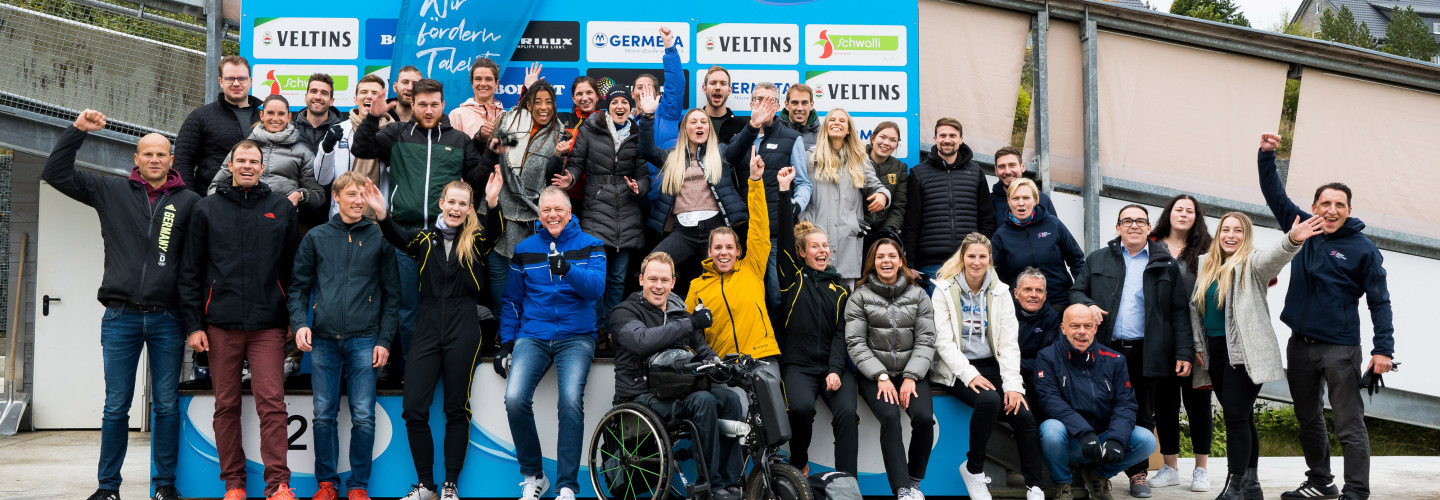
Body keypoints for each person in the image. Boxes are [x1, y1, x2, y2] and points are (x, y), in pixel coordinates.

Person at [46, 110, 199, 500]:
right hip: (120, 317)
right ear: (136, 158)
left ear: (171, 160)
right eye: (146, 154)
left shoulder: (190, 202)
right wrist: (77, 130)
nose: (153, 160)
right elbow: (56, 173)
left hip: (168, 318)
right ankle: (108, 488)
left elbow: (197, 265)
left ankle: (164, 486)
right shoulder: (109, 190)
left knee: (166, 406)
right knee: (116, 406)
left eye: (161, 154)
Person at [1257, 133, 1395, 500]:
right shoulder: (1304, 228)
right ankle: (1321, 482)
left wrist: (1383, 350)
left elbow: (1380, 302)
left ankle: (1356, 491)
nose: (1331, 210)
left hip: (1340, 349)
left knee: (1349, 425)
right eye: (1325, 203)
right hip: (1299, 345)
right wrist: (1267, 156)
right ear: (1315, 207)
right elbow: (1275, 195)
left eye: (1339, 204)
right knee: (1308, 419)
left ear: (1349, 210)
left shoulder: (1363, 250)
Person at [365, 174, 500, 500]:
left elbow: (495, 232)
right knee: (413, 408)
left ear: (469, 209)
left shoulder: (476, 241)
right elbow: (397, 237)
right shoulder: (424, 239)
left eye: (462, 204)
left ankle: (450, 485)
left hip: (463, 327)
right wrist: (383, 215)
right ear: (441, 204)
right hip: (425, 329)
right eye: (450, 201)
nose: (455, 208)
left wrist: (493, 205)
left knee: (456, 408)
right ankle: (426, 486)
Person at [180, 140, 301, 500]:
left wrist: (294, 317)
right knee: (227, 405)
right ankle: (234, 484)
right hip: (220, 324)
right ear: (230, 165)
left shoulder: (280, 208)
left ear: (263, 167)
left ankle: (278, 484)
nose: (247, 166)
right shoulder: (206, 209)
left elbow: (294, 271)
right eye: (241, 160)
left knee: (272, 404)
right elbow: (190, 272)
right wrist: (194, 325)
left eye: (254, 161)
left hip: (268, 325)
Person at [352, 77, 486, 380]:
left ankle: (446, 371)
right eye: (422, 104)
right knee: (407, 308)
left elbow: (476, 179)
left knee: (446, 308)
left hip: (448, 238)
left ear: (443, 105)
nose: (428, 109)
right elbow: (362, 148)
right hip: (405, 236)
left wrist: (491, 153)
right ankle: (412, 372)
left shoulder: (458, 140)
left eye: (434, 104)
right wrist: (372, 116)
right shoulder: (396, 133)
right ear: (412, 104)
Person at [1190, 211, 1324, 500]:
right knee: (1243, 416)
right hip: (1214, 352)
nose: (1230, 235)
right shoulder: (1206, 264)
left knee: (1235, 418)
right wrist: (1199, 346)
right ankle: (1251, 485)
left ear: (1246, 236)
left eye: (1238, 231)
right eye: (1226, 229)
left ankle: (1234, 487)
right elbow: (1196, 312)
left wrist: (1292, 240)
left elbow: (1273, 257)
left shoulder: (1252, 264)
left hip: (1245, 353)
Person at [1069, 204, 1194, 498]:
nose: (1134, 225)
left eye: (1140, 221)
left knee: (1142, 414)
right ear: (1118, 227)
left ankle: (1138, 474)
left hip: (1148, 351)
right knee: (1096, 409)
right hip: (1105, 350)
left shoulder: (1165, 263)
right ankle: (1092, 470)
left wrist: (1184, 351)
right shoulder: (1098, 258)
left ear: (1149, 228)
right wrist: (1087, 305)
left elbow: (1179, 312)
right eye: (1128, 221)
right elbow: (1076, 291)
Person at [288, 171, 400, 500]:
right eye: (350, 194)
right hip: (322, 340)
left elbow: (393, 296)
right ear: (336, 197)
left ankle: (358, 487)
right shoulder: (317, 237)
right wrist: (300, 324)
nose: (357, 201)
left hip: (366, 339)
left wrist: (384, 340)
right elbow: (297, 289)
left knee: (363, 416)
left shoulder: (380, 239)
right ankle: (326, 484)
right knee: (324, 415)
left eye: (362, 195)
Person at [494, 186, 606, 500]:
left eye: (558, 209)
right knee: (514, 398)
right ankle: (534, 475)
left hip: (576, 338)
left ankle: (567, 486)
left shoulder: (591, 245)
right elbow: (512, 301)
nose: (552, 215)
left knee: (570, 401)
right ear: (539, 215)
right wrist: (506, 343)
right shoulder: (526, 248)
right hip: (534, 335)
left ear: (570, 212)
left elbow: (596, 289)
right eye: (546, 211)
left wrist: (567, 269)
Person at [609, 251, 745, 500]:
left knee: (730, 400)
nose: (658, 286)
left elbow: (702, 349)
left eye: (664, 280)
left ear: (673, 283)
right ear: (641, 280)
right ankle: (711, 486)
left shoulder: (680, 313)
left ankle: (731, 481)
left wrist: (721, 366)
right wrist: (691, 322)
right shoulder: (624, 312)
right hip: (640, 396)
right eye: (652, 279)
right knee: (703, 400)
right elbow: (640, 341)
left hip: (678, 390)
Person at [929, 233, 1044, 500]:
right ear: (963, 257)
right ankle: (974, 469)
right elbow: (943, 343)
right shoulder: (944, 289)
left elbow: (1008, 343)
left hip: (991, 365)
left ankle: (1034, 485)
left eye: (982, 256)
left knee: (1024, 413)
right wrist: (969, 375)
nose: (976, 262)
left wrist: (1014, 387)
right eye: (971, 256)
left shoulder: (1001, 291)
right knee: (989, 400)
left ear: (989, 259)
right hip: (955, 367)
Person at [774, 170, 858, 477]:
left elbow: (842, 334)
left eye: (825, 246)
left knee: (848, 413)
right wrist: (785, 192)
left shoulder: (841, 290)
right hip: (798, 367)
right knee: (800, 409)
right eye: (815, 246)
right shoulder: (791, 281)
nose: (822, 250)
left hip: (832, 367)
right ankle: (798, 466)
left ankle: (847, 482)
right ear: (802, 253)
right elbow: (784, 234)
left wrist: (836, 369)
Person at [845, 238, 936, 500]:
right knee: (890, 418)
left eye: (892, 256)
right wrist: (880, 375)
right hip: (874, 375)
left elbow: (926, 339)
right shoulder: (859, 297)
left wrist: (911, 376)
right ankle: (902, 489)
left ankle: (914, 480)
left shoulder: (918, 294)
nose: (886, 261)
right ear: (872, 262)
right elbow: (855, 342)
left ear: (900, 261)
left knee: (923, 418)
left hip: (912, 372)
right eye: (880, 256)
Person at [1036, 304, 1158, 500]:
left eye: (1087, 326)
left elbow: (1125, 403)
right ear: (1063, 328)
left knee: (1146, 441)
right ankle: (1063, 483)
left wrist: (1116, 439)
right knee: (1050, 430)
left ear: (1095, 328)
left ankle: (1098, 477)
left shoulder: (1115, 359)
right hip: (1069, 441)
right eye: (1075, 326)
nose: (1082, 332)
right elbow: (1049, 400)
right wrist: (1083, 432)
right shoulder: (1047, 357)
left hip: (1103, 439)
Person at [634, 93, 748, 293]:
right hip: (682, 232)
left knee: (707, 286)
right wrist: (647, 116)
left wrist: (753, 126)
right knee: (652, 265)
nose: (699, 125)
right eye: (693, 122)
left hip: (713, 231)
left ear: (708, 129)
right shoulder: (672, 157)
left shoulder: (720, 153)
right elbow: (646, 150)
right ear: (685, 129)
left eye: (704, 122)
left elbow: (740, 147)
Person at [560, 88, 649, 338]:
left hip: (627, 213)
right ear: (607, 106)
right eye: (615, 102)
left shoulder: (637, 132)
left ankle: (613, 329)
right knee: (595, 276)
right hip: (596, 209)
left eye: (624, 102)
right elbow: (577, 163)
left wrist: (639, 187)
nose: (620, 106)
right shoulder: (591, 128)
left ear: (631, 108)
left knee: (618, 279)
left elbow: (643, 175)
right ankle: (596, 329)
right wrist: (571, 177)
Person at [723, 82, 814, 313]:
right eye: (758, 99)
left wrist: (793, 207)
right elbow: (729, 159)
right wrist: (751, 127)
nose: (763, 105)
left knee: (775, 296)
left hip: (775, 232)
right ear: (751, 103)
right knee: (747, 296)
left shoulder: (792, 138)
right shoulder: (741, 136)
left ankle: (778, 347)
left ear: (777, 106)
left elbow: (803, 183)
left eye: (769, 100)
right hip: (744, 230)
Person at [1146, 194, 1215, 492]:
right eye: (1179, 209)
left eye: (1190, 210)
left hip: (1199, 336)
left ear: (1196, 217)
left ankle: (1201, 469)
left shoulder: (1208, 250)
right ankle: (1170, 466)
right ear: (1169, 214)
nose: (1184, 214)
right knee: (1165, 403)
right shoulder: (1151, 244)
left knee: (1198, 402)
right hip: (1160, 336)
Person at [685, 151, 776, 364]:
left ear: (738, 251)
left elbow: (760, 227)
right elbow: (688, 330)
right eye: (717, 247)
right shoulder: (697, 286)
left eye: (729, 247)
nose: (723, 252)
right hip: (722, 365)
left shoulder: (752, 268)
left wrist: (755, 182)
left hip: (761, 357)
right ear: (709, 252)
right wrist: (706, 360)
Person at [484, 80, 569, 306]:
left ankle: (526, 325)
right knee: (498, 273)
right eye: (537, 101)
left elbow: (552, 178)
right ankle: (503, 329)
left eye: (549, 102)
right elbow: (493, 157)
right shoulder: (511, 126)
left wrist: (559, 158)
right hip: (500, 209)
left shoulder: (559, 134)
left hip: (533, 215)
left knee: (530, 275)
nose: (543, 107)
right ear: (528, 104)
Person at [903, 118, 996, 290]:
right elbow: (911, 223)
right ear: (935, 139)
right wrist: (910, 264)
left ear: (961, 139)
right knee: (938, 316)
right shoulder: (918, 174)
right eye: (942, 135)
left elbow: (987, 218)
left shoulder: (975, 172)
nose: (947, 140)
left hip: (969, 263)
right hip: (932, 266)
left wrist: (981, 255)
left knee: (970, 316)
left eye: (952, 135)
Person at [800, 108, 889, 285]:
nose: (836, 123)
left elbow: (876, 186)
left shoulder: (858, 159)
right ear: (825, 127)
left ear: (848, 129)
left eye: (842, 121)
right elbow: (799, 191)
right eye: (832, 120)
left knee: (844, 305)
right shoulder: (809, 158)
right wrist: (805, 223)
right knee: (816, 303)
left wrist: (882, 196)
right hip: (816, 241)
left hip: (847, 243)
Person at [208, 95, 325, 214]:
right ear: (261, 115)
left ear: (289, 117)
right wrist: (228, 207)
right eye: (270, 113)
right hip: (242, 217)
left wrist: (300, 194)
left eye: (281, 114)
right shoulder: (242, 148)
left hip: (280, 218)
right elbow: (215, 186)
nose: (275, 118)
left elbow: (317, 195)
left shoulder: (303, 152)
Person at [990, 178, 1084, 311]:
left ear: (1035, 200)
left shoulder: (1053, 224)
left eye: (1026, 198)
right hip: (1021, 309)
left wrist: (1080, 296)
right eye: (1016, 198)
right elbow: (993, 274)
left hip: (1059, 303)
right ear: (1009, 202)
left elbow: (1077, 260)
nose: (1021, 203)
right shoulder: (1001, 235)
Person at [173, 55, 262, 195]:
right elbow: (183, 163)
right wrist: (192, 201)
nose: (236, 83)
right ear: (220, 81)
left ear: (250, 81)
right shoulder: (200, 117)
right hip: (212, 202)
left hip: (258, 202)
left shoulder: (264, 119)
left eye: (242, 78)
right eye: (230, 78)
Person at [314, 74, 392, 218]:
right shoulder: (339, 130)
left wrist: (388, 155)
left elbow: (402, 179)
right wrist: (326, 148)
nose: (369, 96)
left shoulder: (393, 132)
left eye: (375, 93)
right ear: (355, 99)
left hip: (380, 220)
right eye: (364, 92)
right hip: (342, 218)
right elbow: (322, 179)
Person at [1012, 268, 1062, 417]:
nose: (1033, 295)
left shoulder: (1051, 317)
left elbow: (1047, 359)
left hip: (1032, 372)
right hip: (1003, 369)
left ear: (1045, 296)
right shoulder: (1003, 311)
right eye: (1027, 289)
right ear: (1016, 293)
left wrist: (1018, 365)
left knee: (1039, 380)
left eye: (1039, 291)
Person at [862, 121, 908, 252]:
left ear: (896, 145)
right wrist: (853, 222)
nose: (886, 143)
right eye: (882, 137)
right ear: (872, 138)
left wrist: (889, 230)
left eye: (893, 140)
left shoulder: (900, 168)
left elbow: (899, 206)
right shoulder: (855, 160)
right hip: (854, 233)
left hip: (882, 239)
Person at [640, 27, 686, 149]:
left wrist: (669, 47)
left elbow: (676, 83)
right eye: (639, 87)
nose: (644, 91)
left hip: (666, 168)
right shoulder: (627, 122)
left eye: (648, 88)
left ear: (657, 93)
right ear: (632, 93)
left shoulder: (667, 114)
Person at [989, 146, 1055, 227]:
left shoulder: (1042, 199)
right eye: (1002, 167)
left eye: (1012, 165)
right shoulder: (989, 202)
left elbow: (1055, 232)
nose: (1007, 171)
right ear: (996, 171)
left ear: (1022, 167)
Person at [448, 58, 505, 139]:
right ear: (472, 83)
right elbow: (453, 149)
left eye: (488, 79)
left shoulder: (506, 116)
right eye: (478, 79)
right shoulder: (457, 115)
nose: (483, 83)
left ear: (496, 84)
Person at [292, 73, 345, 153]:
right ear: (306, 97)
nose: (318, 97)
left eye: (324, 93)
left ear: (331, 101)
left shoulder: (343, 132)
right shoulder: (290, 130)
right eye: (313, 91)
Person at [699, 65, 748, 144]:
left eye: (723, 83)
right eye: (713, 83)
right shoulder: (690, 125)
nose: (718, 87)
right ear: (704, 89)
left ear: (729, 90)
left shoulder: (742, 127)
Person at [780, 83, 819, 151]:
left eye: (804, 103)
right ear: (786, 105)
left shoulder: (823, 135)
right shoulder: (774, 131)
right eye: (795, 103)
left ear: (811, 105)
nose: (800, 108)